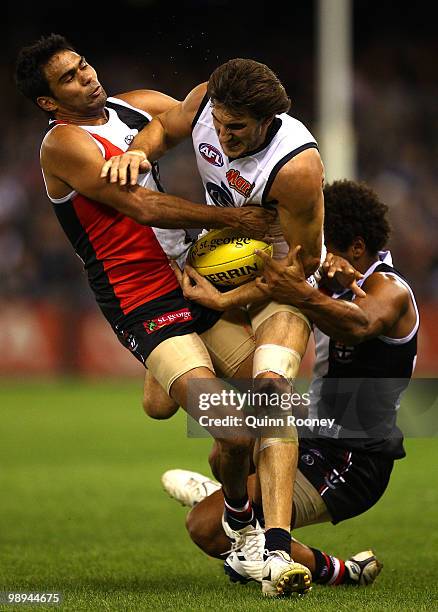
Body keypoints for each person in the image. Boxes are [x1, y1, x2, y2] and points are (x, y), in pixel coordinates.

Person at [14, 34, 306, 596]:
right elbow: (142, 205)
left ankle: (183, 416)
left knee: (274, 404)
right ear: (49, 103)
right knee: (232, 424)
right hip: (139, 298)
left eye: (84, 65)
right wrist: (241, 222)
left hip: (192, 278)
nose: (87, 77)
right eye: (69, 79)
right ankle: (244, 534)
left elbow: (206, 128)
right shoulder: (63, 146)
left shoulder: (140, 106)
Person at [101, 58, 325, 596]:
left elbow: (305, 265)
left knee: (272, 393)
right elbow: (165, 126)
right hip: (215, 261)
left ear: (268, 121)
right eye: (219, 124)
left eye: (237, 129)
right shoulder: (205, 101)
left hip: (275, 277)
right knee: (158, 405)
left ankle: (271, 547)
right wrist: (140, 151)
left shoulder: (295, 167)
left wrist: (229, 296)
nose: (223, 137)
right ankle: (227, 482)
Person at [160, 179, 418, 588]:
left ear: (354, 247)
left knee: (206, 528)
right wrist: (221, 300)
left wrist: (305, 292)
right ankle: (238, 501)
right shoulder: (322, 281)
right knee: (227, 445)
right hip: (315, 434)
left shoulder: (391, 289)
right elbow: (274, 294)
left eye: (321, 242)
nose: (311, 250)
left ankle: (332, 568)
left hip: (355, 459)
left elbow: (361, 324)